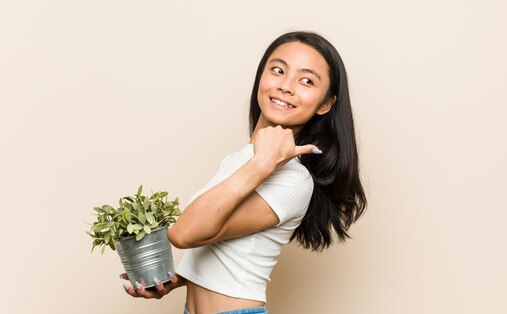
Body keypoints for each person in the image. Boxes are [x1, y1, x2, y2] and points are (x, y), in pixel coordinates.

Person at [120, 31, 367, 314]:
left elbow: (183, 233)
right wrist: (175, 280)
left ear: (325, 104)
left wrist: (262, 165)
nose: (286, 86)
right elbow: (219, 244)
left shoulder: (294, 178)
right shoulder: (241, 160)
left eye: (306, 80)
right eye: (278, 70)